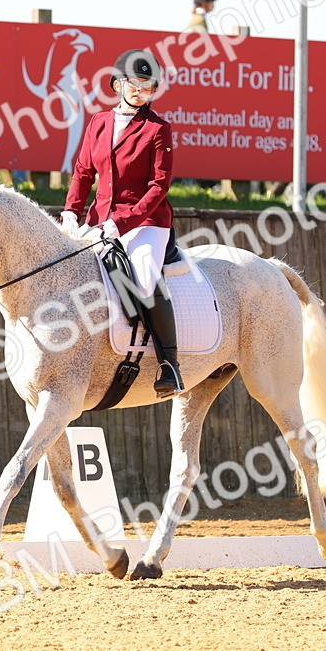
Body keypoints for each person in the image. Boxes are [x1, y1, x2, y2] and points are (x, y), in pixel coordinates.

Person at [61, 49, 183, 398]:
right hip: (99, 222)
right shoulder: (99, 122)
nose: (139, 92)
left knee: (143, 281)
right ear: (118, 84)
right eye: (133, 84)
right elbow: (84, 173)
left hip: (146, 223)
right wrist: (71, 210)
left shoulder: (158, 129)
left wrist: (124, 221)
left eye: (148, 87)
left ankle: (168, 364)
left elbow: (159, 186)